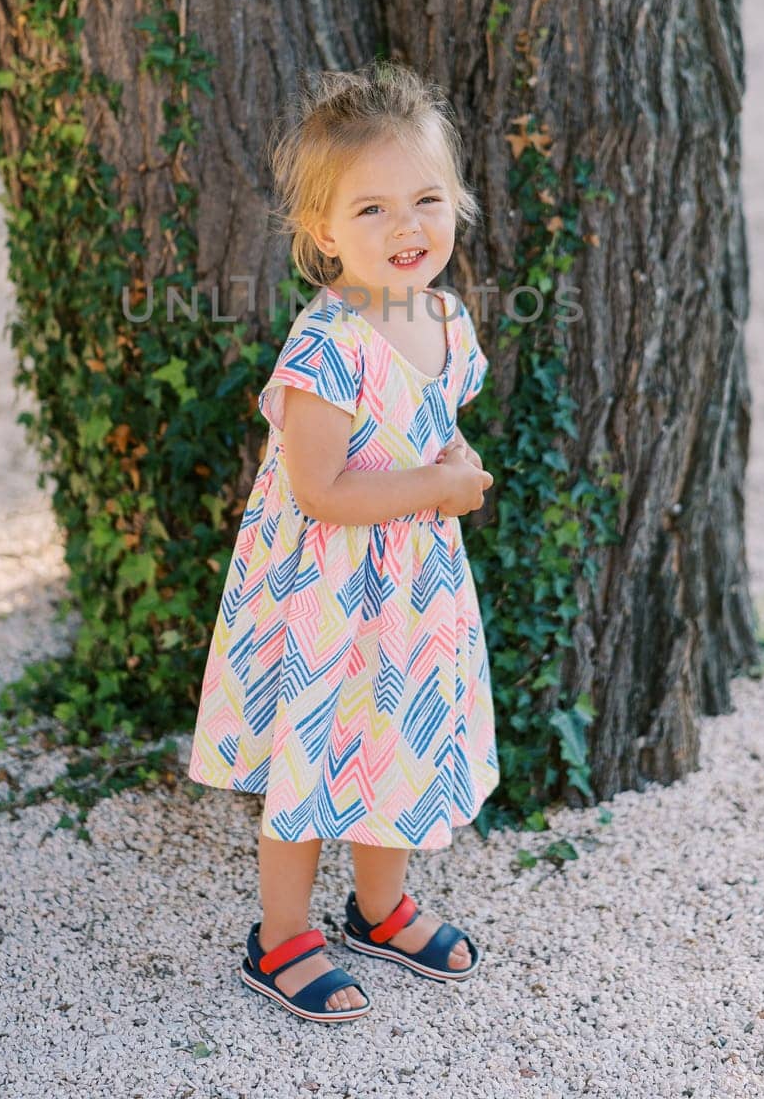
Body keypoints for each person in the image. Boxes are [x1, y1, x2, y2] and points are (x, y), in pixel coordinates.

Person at [187, 60, 499, 1023]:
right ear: (322, 233)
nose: (406, 228)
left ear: (458, 205)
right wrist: (440, 486)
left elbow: (436, 415)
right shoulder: (326, 346)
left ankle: (381, 909)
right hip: (324, 592)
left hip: (410, 589)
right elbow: (320, 490)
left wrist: (456, 455)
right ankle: (280, 937)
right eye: (370, 211)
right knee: (315, 752)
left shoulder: (442, 317)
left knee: (392, 743)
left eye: (425, 200)